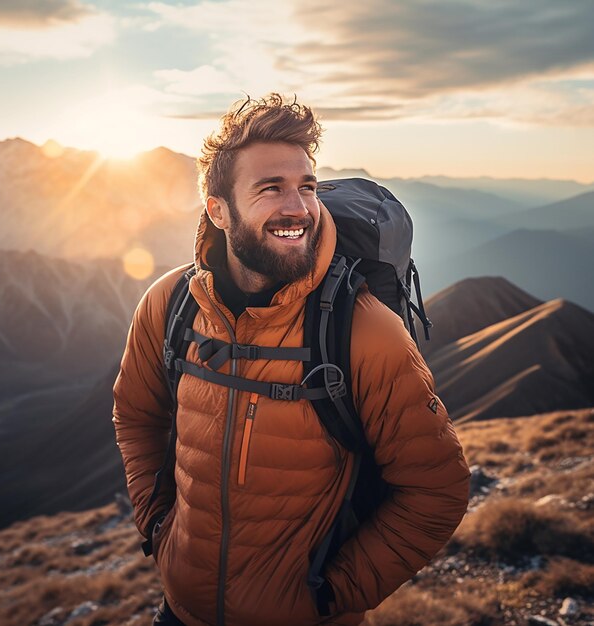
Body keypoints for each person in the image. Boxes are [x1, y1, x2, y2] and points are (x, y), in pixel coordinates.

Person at [112, 93, 470, 626]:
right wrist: (159, 525)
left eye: (306, 186)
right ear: (218, 209)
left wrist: (330, 596)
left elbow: (437, 490)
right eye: (270, 188)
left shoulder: (364, 330)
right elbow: (136, 414)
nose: (298, 207)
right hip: (181, 611)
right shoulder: (170, 305)